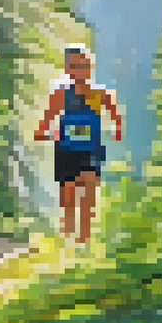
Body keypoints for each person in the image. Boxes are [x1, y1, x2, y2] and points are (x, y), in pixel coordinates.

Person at [34, 44, 122, 247]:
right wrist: (53, 134)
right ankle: (67, 243)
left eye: (82, 65)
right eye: (73, 66)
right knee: (68, 199)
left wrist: (113, 131)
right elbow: (42, 129)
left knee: (88, 194)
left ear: (90, 66)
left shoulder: (102, 95)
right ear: (67, 69)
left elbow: (117, 120)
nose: (78, 70)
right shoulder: (60, 95)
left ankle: (84, 244)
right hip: (66, 151)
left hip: (91, 150)